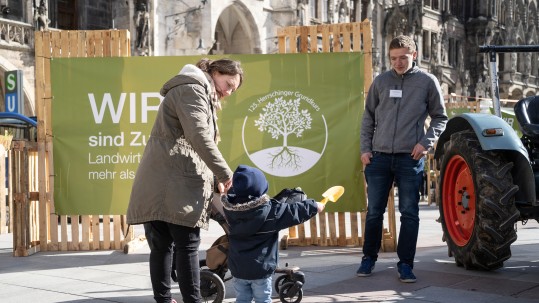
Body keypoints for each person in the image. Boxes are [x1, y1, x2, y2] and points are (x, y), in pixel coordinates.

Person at [126, 58, 244, 303]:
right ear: (216, 72)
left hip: (162, 182)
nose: (229, 91)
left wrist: (213, 180)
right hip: (175, 184)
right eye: (229, 83)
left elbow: (191, 144)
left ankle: (164, 299)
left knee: (162, 247)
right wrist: (225, 173)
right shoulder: (192, 89)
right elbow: (199, 136)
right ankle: (193, 300)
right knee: (187, 245)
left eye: (233, 89)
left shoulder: (193, 90)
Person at [357, 35, 448, 283]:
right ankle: (368, 258)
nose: (397, 63)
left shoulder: (427, 82)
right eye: (393, 58)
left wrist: (425, 144)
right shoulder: (381, 82)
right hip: (379, 158)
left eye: (403, 58)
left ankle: (406, 264)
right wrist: (365, 149)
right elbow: (368, 118)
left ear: (414, 55)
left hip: (410, 158)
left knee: (409, 213)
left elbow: (440, 118)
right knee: (374, 212)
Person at [222, 165, 325, 303]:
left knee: (242, 299)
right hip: (261, 270)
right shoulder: (271, 212)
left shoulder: (229, 211)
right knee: (263, 299)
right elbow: (294, 211)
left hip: (238, 268)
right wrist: (314, 206)